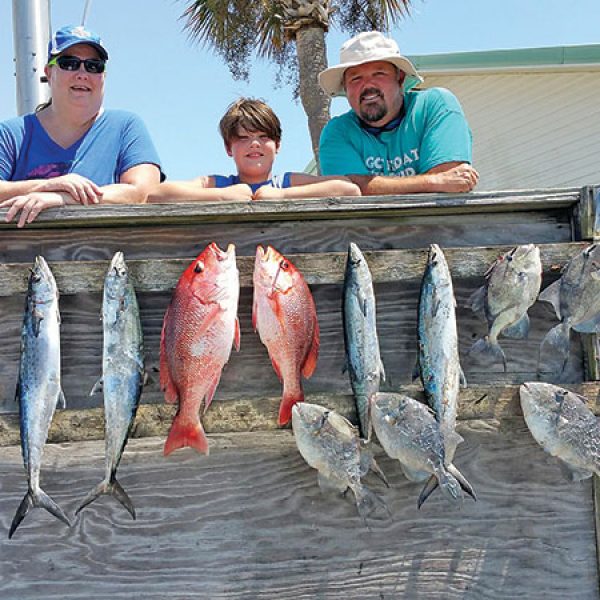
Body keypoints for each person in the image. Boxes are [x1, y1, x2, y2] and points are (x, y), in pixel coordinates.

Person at [0, 24, 162, 228]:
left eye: (94, 66)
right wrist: (45, 186)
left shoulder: (126, 127)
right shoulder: (10, 134)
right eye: (70, 63)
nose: (82, 73)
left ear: (103, 76)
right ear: (49, 72)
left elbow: (145, 192)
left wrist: (63, 198)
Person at [318, 31, 479, 195]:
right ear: (345, 88)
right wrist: (433, 181)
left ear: (400, 78)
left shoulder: (435, 105)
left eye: (379, 74)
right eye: (355, 78)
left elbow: (450, 186)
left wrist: (370, 186)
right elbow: (349, 190)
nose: (367, 85)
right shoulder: (337, 131)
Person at [148, 97, 360, 203]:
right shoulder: (218, 184)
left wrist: (283, 195)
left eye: (263, 137)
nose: (254, 144)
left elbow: (348, 189)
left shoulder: (286, 182)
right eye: (243, 138)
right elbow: (156, 194)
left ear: (277, 145)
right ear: (228, 147)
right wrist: (222, 196)